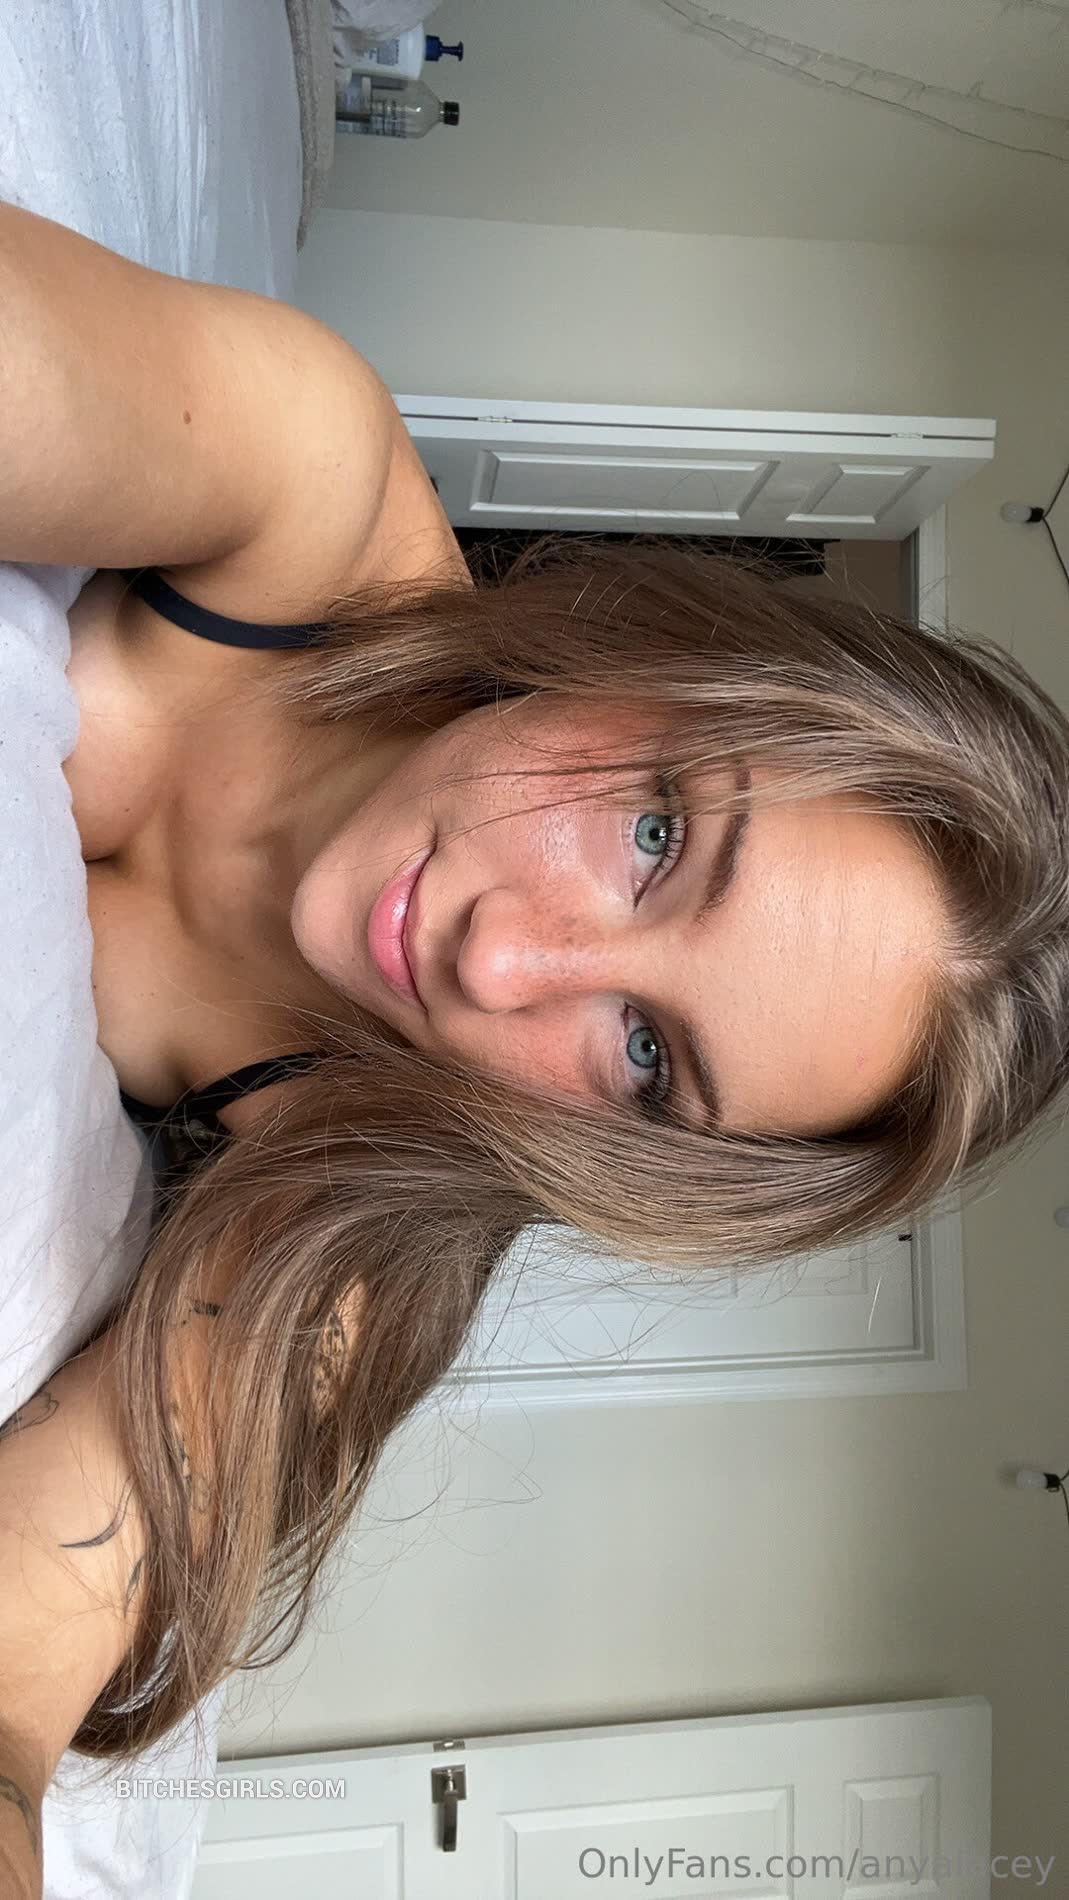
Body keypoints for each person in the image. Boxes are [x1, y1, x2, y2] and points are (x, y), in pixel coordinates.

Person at [3, 201, 1069, 1893]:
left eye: (645, 1056)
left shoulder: (349, 1245)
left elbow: (21, 1660)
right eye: (655, 836)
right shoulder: (312, 482)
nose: (500, 959)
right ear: (662, 667)